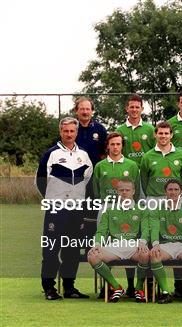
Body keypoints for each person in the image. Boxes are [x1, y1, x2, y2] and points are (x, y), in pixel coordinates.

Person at [36, 117, 93, 300]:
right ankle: (49, 288)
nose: (69, 134)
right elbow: (40, 181)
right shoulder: (51, 154)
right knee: (51, 248)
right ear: (60, 132)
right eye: (65, 131)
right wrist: (53, 199)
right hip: (56, 209)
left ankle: (69, 287)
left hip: (76, 210)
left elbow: (88, 180)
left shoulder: (83, 155)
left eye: (72, 131)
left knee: (72, 248)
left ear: (76, 133)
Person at [87, 179, 150, 303]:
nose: (124, 193)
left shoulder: (142, 210)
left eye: (127, 190)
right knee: (92, 256)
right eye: (121, 190)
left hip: (134, 246)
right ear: (117, 192)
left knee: (146, 254)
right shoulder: (109, 211)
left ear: (133, 191)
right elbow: (101, 231)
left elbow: (146, 230)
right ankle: (116, 287)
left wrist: (142, 242)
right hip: (115, 246)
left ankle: (138, 288)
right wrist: (97, 244)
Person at [148, 179, 182, 304]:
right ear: (165, 191)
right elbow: (154, 229)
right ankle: (166, 292)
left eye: (176, 189)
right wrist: (155, 245)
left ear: (181, 191)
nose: (173, 192)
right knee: (154, 255)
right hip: (165, 245)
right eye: (170, 189)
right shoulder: (156, 209)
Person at [140, 121, 182, 198]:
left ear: (171, 135)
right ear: (155, 135)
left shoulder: (181, 155)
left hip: (175, 198)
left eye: (166, 133)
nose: (163, 136)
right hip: (154, 199)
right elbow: (144, 181)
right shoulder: (147, 156)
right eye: (160, 133)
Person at [93, 132, 140, 202]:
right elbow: (96, 191)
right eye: (112, 144)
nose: (115, 147)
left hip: (126, 206)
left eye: (118, 144)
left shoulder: (132, 165)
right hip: (106, 206)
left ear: (122, 145)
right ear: (108, 146)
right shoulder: (99, 166)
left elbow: (137, 189)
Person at [116, 94, 155, 166]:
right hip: (127, 171)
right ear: (127, 108)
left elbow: (156, 152)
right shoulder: (119, 131)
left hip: (146, 170)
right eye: (132, 107)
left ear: (142, 109)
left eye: (137, 107)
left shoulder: (150, 129)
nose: (134, 110)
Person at [73, 96, 107, 166]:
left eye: (87, 109)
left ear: (92, 111)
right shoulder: (70, 128)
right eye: (82, 109)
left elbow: (105, 153)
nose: (85, 112)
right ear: (76, 111)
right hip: (75, 171)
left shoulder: (100, 129)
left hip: (95, 171)